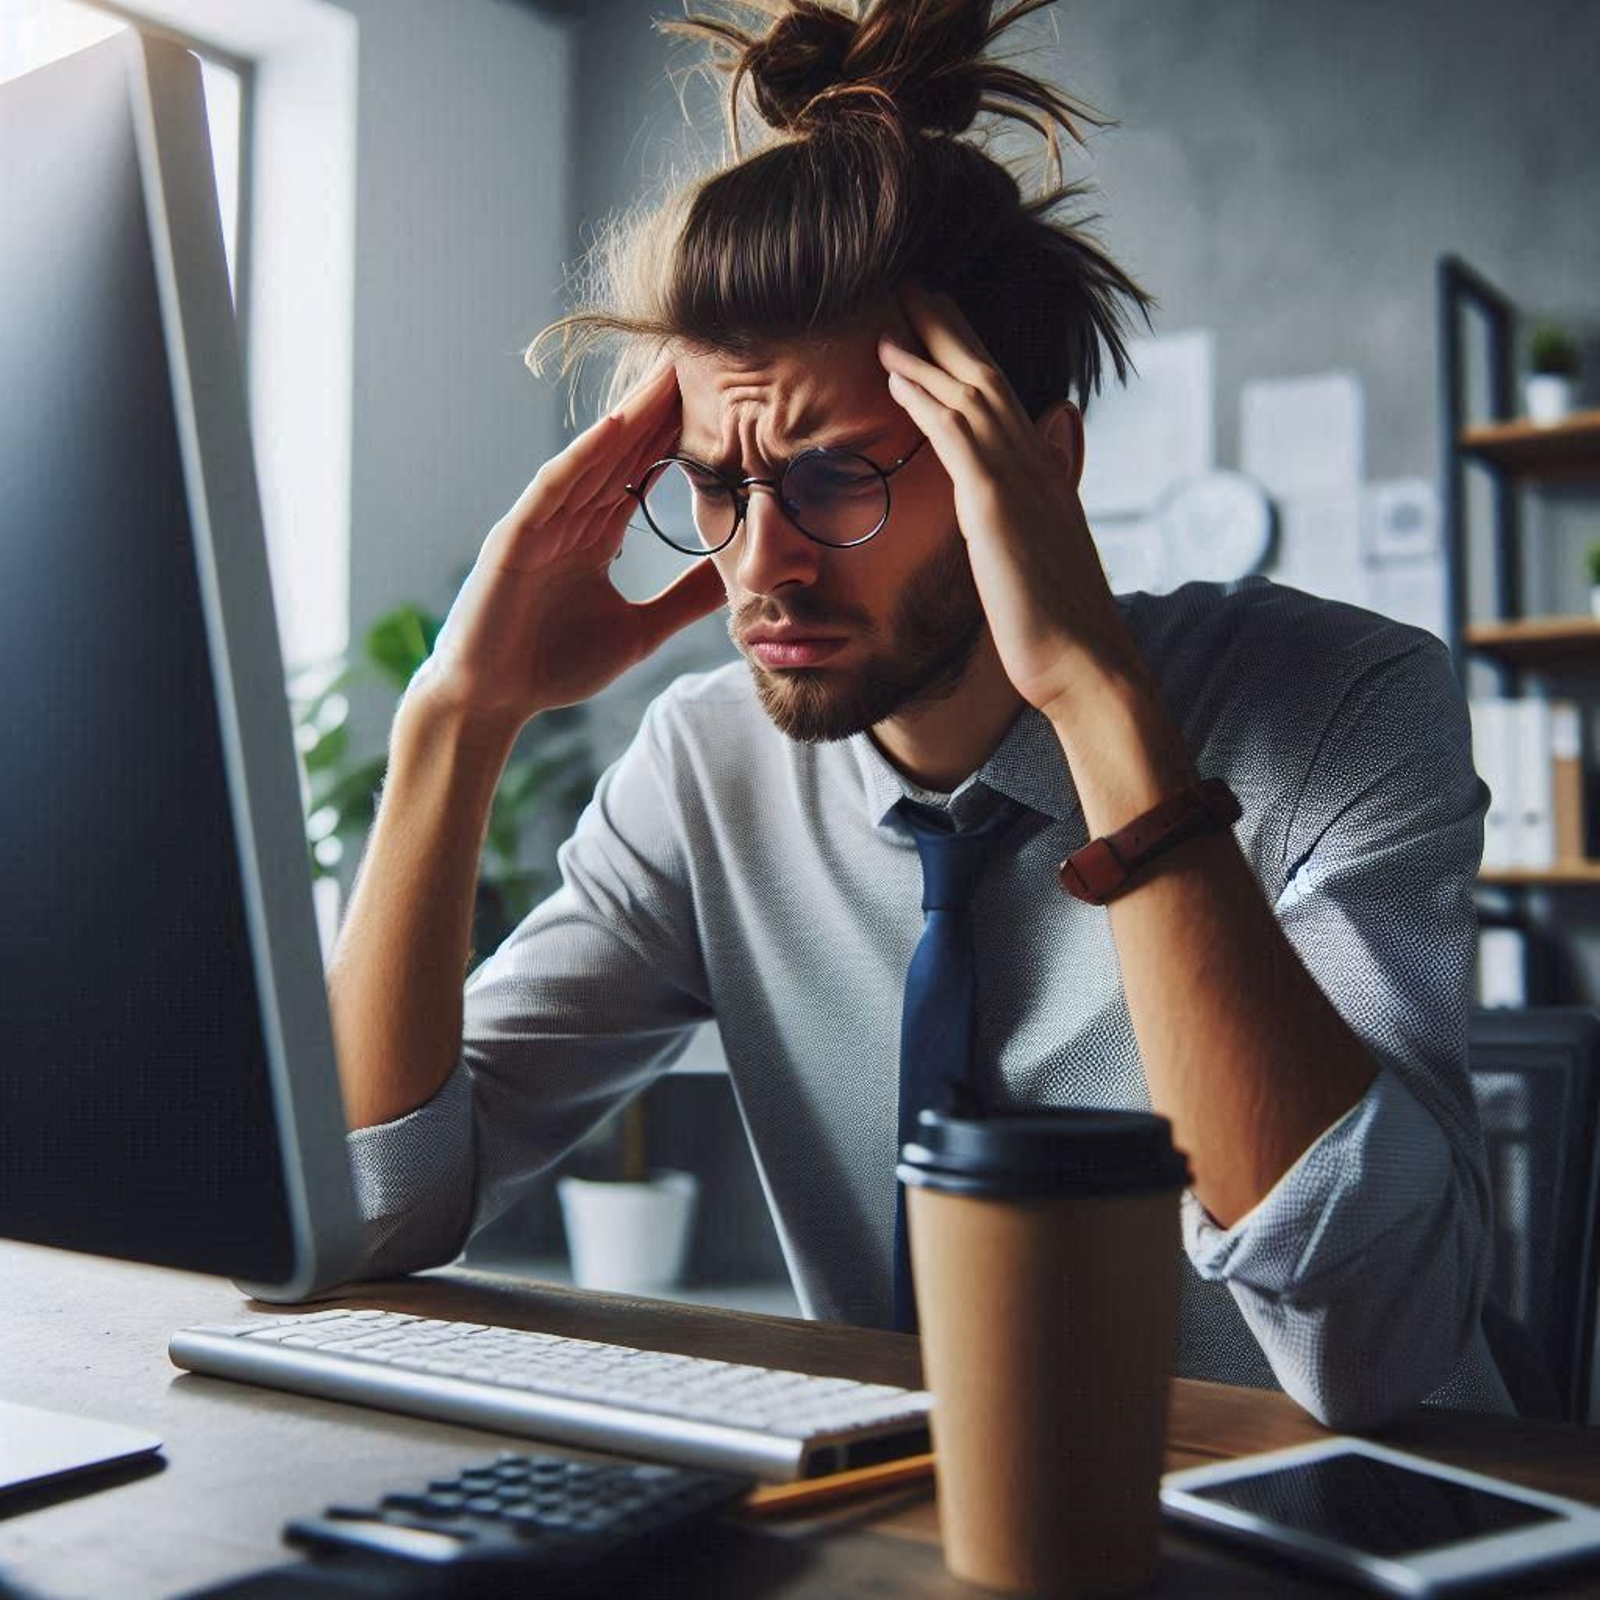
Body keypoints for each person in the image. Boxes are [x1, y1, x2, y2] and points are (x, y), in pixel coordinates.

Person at [326, 0, 1512, 1429]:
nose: (759, 562)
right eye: (717, 484)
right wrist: (456, 717)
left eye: (837, 476)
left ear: (1038, 459)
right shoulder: (705, 775)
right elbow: (365, 1215)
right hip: (906, 1537)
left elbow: (1376, 1350)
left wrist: (1097, 705)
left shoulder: (1344, 709)